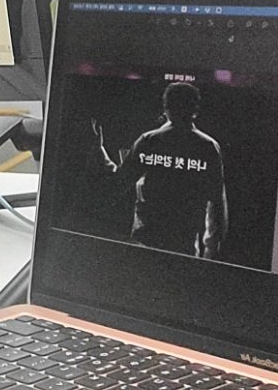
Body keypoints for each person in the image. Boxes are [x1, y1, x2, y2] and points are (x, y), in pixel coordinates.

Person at [94, 81, 228, 259]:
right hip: (185, 248)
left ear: (166, 108)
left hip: (144, 243)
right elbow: (216, 202)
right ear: (195, 110)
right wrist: (211, 250)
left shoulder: (149, 140)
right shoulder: (208, 147)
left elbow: (119, 181)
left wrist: (99, 149)